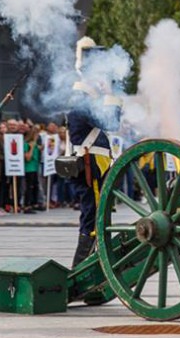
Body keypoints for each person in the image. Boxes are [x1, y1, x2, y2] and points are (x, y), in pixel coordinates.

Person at [66, 37, 118, 267]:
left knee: (96, 215)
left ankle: (91, 265)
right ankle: (81, 268)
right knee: (93, 218)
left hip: (96, 164)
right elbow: (110, 121)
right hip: (90, 166)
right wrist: (110, 94)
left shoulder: (86, 97)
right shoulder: (80, 97)